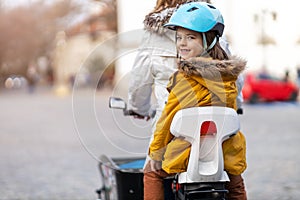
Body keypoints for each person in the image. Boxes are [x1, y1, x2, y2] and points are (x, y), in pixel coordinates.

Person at [143, 2, 247, 200]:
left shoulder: (183, 80)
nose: (182, 43)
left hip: (187, 154)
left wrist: (156, 154)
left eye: (190, 38)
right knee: (236, 185)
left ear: (208, 40)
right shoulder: (229, 78)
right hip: (224, 154)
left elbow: (165, 123)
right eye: (179, 37)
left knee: (151, 173)